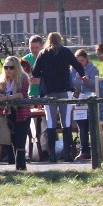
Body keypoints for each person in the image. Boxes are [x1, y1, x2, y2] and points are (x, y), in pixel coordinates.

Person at [31, 32, 86, 162]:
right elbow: (77, 65)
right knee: (66, 121)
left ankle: (52, 156)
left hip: (49, 91)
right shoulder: (66, 52)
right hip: (64, 90)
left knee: (51, 122)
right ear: (60, 40)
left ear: (48, 41)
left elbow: (35, 72)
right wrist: (81, 74)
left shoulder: (43, 53)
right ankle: (67, 154)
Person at [0, 56, 32, 170]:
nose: (8, 70)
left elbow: (21, 94)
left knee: (20, 141)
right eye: (6, 67)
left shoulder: (23, 78)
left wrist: (6, 98)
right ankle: (18, 168)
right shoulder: (2, 80)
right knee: (13, 141)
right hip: (9, 114)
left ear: (16, 68)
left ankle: (21, 167)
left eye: (11, 67)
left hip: (22, 114)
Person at [70, 49, 99, 161]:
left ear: (86, 59)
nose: (79, 63)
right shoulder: (72, 69)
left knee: (92, 125)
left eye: (81, 60)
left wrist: (86, 80)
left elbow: (95, 84)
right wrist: (73, 87)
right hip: (78, 100)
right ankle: (84, 150)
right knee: (81, 126)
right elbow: (70, 82)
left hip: (90, 99)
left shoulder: (93, 69)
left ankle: (95, 150)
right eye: (77, 61)